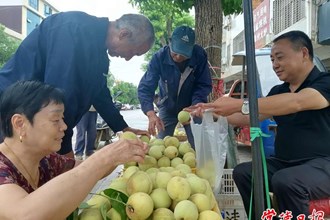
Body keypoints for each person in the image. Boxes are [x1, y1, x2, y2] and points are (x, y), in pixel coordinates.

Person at [187, 30, 330, 218]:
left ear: (304, 53)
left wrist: (239, 103)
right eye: (272, 60)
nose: (275, 65)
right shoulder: (278, 91)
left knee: (286, 181)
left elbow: (298, 102)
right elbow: (248, 117)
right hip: (286, 163)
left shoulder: (324, 82)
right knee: (244, 173)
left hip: (323, 164)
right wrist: (211, 113)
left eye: (279, 58)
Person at [0, 11, 155, 157]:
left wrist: (122, 127)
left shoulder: (100, 57)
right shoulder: (72, 30)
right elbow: (58, 97)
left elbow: (100, 94)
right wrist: (64, 149)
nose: (128, 58)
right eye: (134, 52)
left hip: (38, 122)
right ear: (124, 34)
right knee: (15, 175)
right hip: (12, 112)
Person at [0, 81, 148, 219]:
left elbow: (87, 171)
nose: (64, 126)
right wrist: (104, 157)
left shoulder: (47, 161)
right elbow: (22, 215)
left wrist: (119, 153)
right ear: (20, 123)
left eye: (62, 119)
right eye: (55, 119)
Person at [138, 25, 212, 143]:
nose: (178, 57)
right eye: (175, 53)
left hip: (191, 108)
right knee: (161, 144)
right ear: (170, 43)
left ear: (192, 49)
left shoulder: (199, 55)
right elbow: (146, 87)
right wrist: (150, 113)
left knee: (199, 143)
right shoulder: (159, 58)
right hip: (167, 107)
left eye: (183, 55)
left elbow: (203, 84)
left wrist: (196, 105)